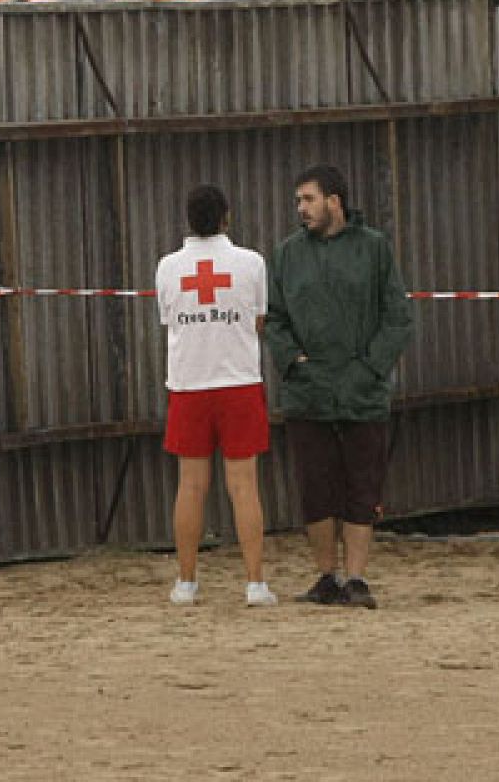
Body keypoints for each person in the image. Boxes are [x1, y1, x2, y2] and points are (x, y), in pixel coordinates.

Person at [264, 164, 413, 609]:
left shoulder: (374, 249)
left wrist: (371, 369)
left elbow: (397, 316)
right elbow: (274, 317)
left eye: (308, 199)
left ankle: (357, 578)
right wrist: (293, 362)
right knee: (316, 488)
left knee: (361, 488)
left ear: (335, 201)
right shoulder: (288, 254)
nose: (301, 209)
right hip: (308, 392)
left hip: (361, 392)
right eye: (298, 201)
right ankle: (325, 577)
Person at [155, 183, 277, 607]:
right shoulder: (252, 263)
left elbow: (168, 319)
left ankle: (186, 583)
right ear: (227, 216)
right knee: (244, 486)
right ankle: (255, 583)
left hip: (189, 384)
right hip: (239, 382)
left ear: (188, 219)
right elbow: (259, 320)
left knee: (190, 486)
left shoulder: (167, 267)